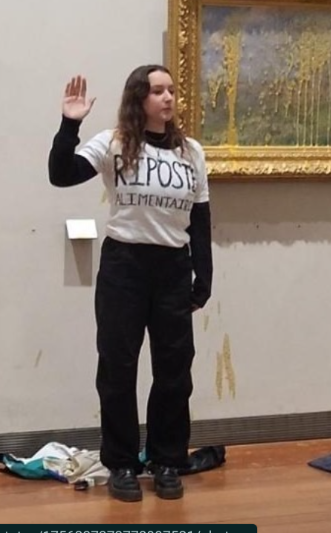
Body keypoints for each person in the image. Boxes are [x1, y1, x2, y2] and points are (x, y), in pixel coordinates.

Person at [48, 65, 213, 501]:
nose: (168, 97)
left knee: (174, 370)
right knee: (118, 368)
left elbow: (200, 219)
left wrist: (204, 276)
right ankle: (121, 463)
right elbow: (61, 174)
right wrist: (70, 124)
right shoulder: (115, 142)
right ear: (139, 98)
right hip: (124, 267)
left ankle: (166, 460)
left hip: (173, 267)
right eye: (158, 91)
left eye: (171, 90)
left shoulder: (191, 152)